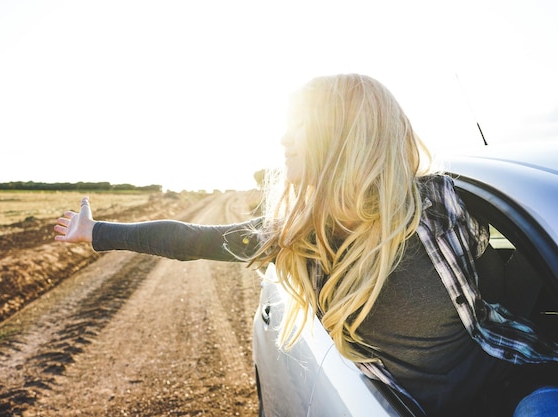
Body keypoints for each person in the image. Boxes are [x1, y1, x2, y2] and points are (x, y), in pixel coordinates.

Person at [55, 74, 558, 416]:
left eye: (301, 125)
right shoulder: (292, 235)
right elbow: (189, 239)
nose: (283, 138)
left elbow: (508, 286)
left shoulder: (442, 203)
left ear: (349, 136)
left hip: (517, 385)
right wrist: (96, 233)